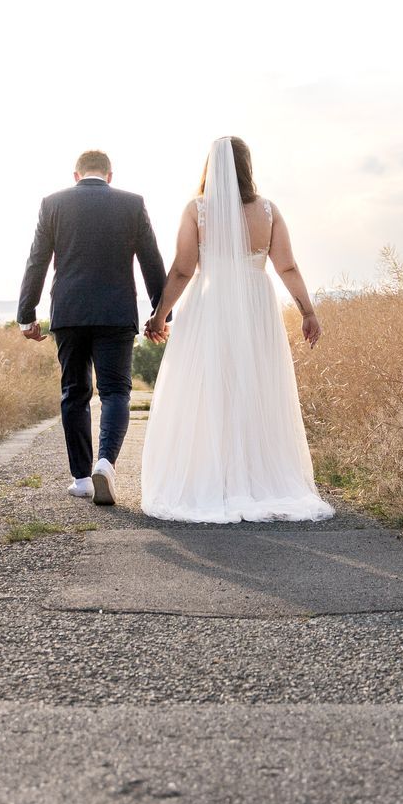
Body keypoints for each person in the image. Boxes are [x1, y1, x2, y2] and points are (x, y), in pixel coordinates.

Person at [138, 136, 332, 523]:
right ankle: (258, 480)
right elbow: (287, 267)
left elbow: (182, 269)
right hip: (257, 305)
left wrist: (160, 315)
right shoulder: (268, 210)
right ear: (247, 166)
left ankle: (216, 480)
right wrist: (307, 311)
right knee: (256, 386)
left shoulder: (197, 210)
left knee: (209, 389)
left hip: (211, 306)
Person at [17, 149, 166, 505]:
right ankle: (105, 463)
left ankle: (82, 478)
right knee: (116, 392)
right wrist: (162, 314)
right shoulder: (132, 204)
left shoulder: (53, 204)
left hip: (69, 312)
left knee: (75, 391)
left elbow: (37, 259)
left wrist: (27, 313)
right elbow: (151, 259)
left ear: (76, 175)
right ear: (110, 176)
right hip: (116, 313)